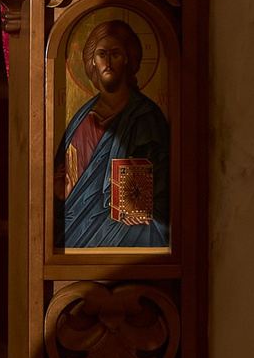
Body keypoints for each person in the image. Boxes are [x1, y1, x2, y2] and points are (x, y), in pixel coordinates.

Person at [56, 17, 169, 248]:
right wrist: (61, 190)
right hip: (80, 226)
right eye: (101, 54)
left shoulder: (146, 115)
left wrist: (142, 207)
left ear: (127, 58)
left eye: (115, 54)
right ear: (92, 61)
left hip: (131, 224)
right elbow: (65, 178)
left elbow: (166, 174)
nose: (108, 61)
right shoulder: (81, 119)